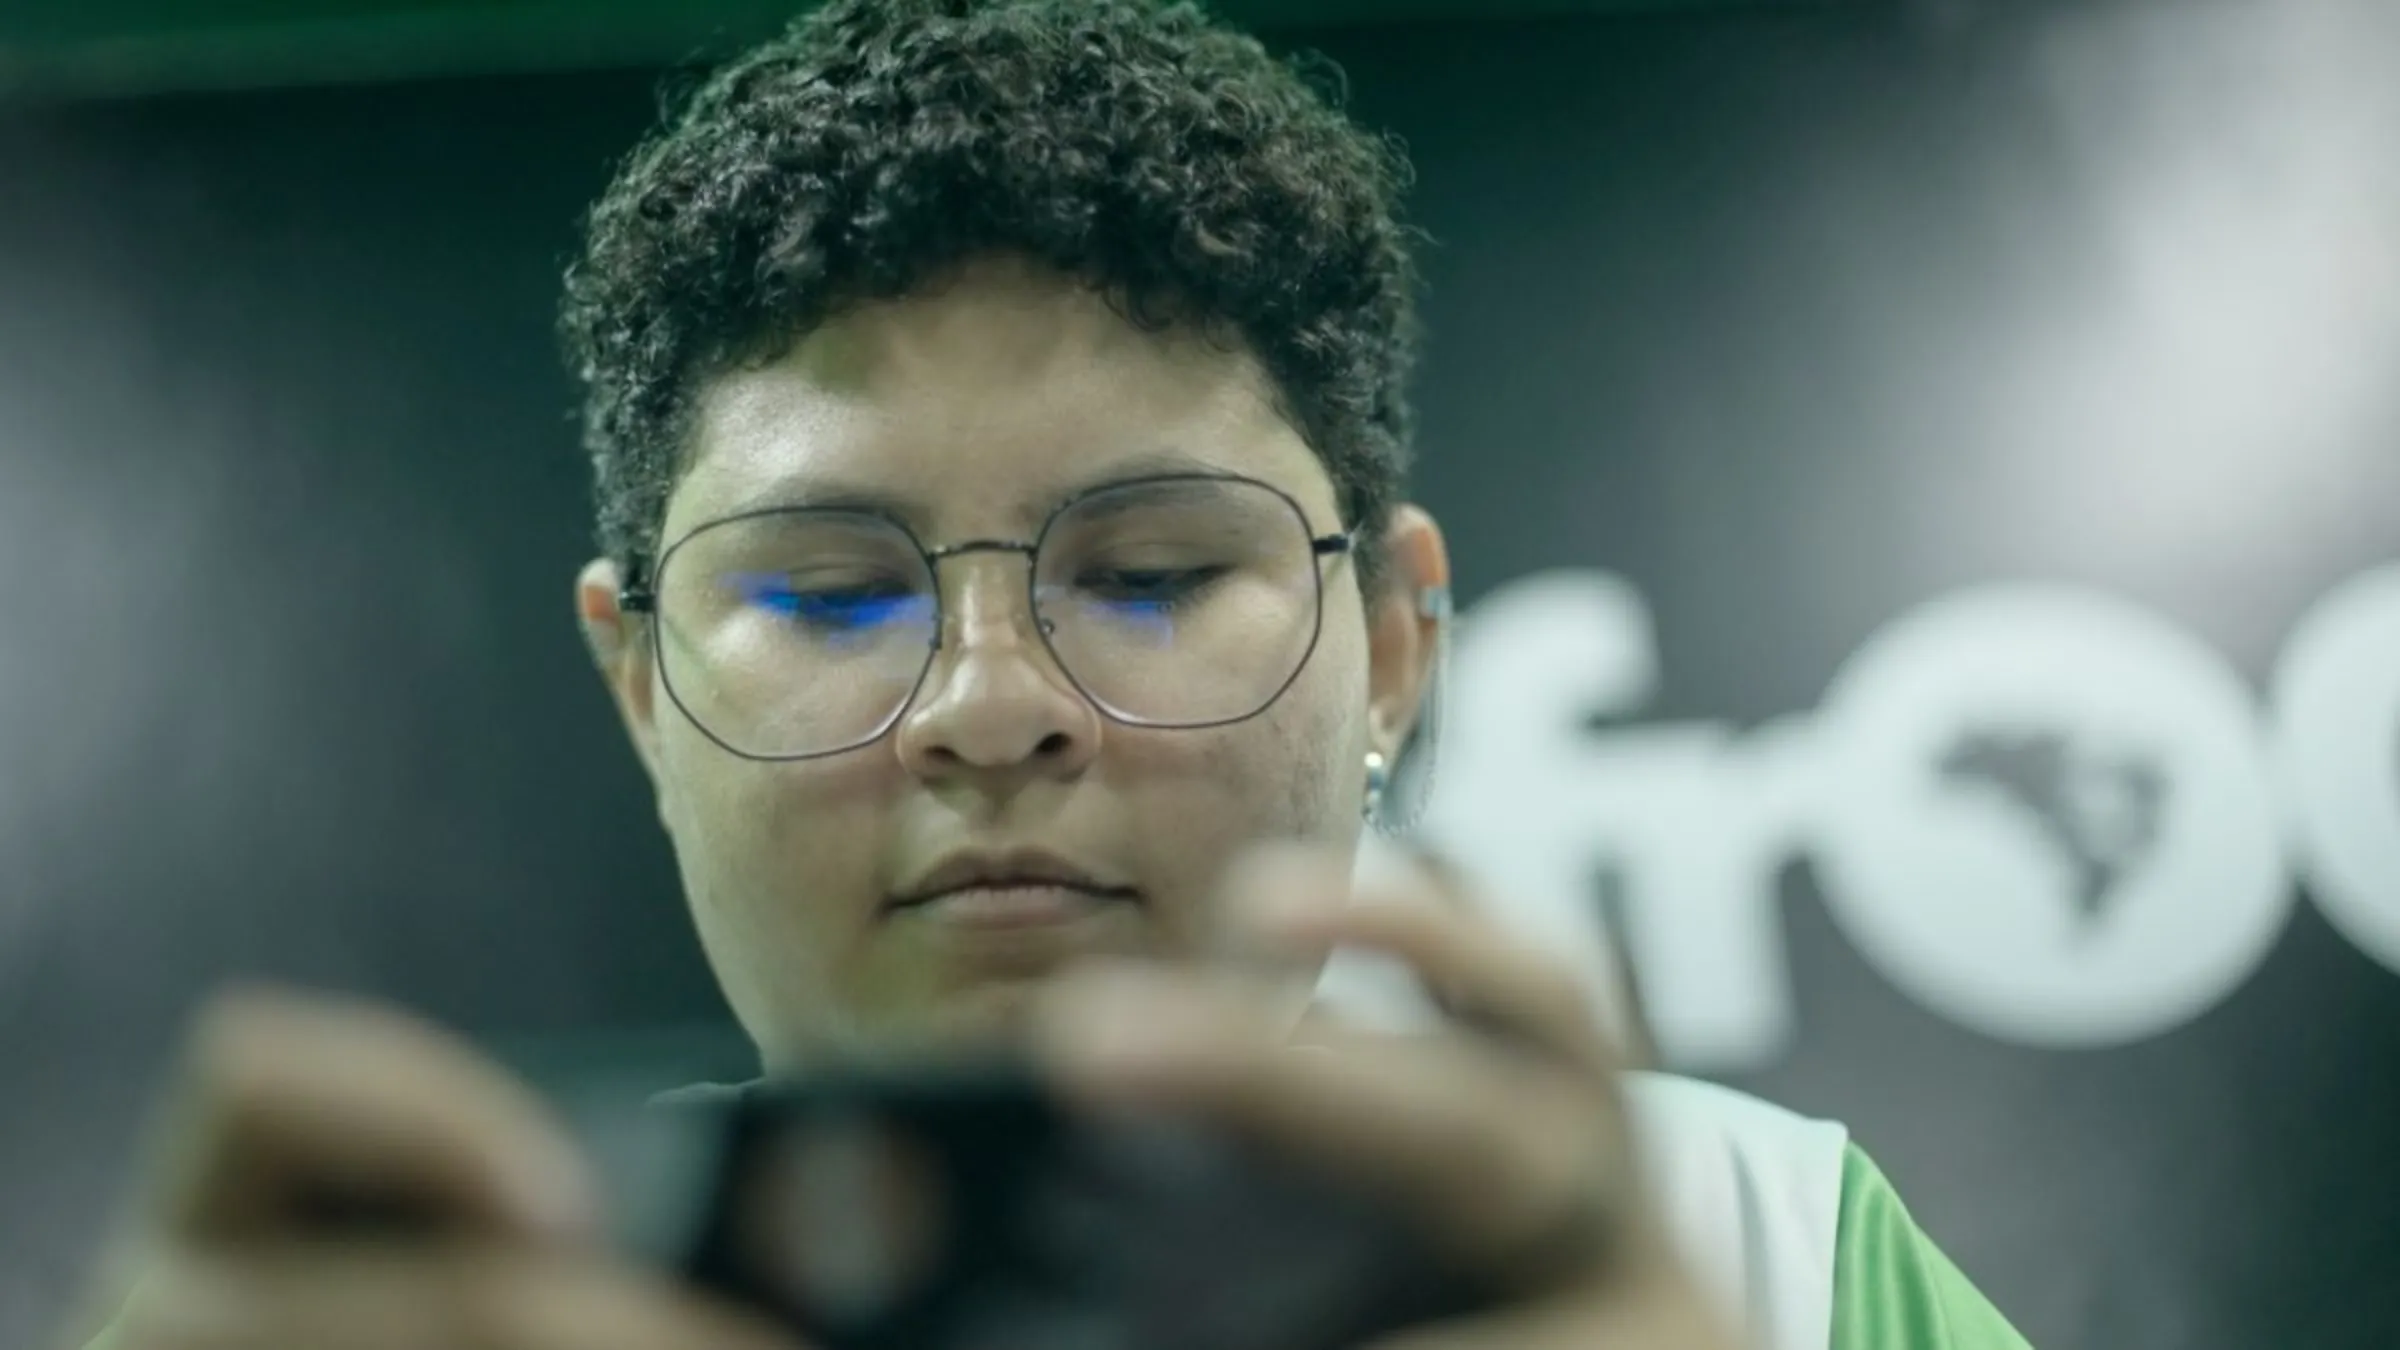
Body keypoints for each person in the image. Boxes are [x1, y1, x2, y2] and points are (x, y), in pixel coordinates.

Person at [62, 3, 2032, 1348]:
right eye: (831, 597)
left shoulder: (1757, 1263)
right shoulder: (409, 1312)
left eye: (1158, 569)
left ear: (1398, 644)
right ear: (641, 691)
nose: (988, 701)